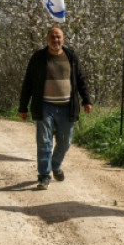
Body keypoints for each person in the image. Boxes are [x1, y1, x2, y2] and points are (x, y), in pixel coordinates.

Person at [19, 26, 92, 190]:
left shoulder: (71, 56)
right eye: (52, 37)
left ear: (63, 39)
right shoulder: (38, 58)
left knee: (65, 141)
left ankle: (55, 164)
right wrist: (23, 107)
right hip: (45, 106)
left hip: (67, 107)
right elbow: (28, 83)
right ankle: (44, 176)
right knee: (44, 142)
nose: (55, 40)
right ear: (47, 39)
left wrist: (87, 100)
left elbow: (81, 79)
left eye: (58, 37)